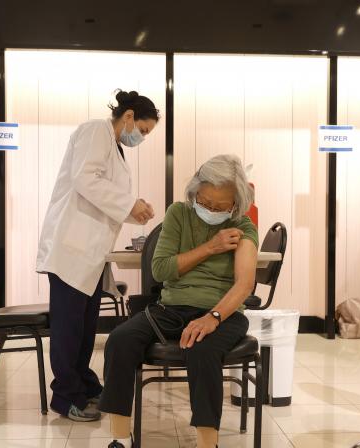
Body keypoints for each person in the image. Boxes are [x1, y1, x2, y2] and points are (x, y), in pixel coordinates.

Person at [99, 154, 259, 448]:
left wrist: (212, 318)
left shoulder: (244, 227)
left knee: (203, 350)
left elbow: (244, 284)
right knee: (120, 340)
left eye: (220, 206)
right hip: (170, 308)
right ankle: (120, 437)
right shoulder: (178, 214)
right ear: (195, 191)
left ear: (236, 203)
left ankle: (207, 443)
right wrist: (211, 247)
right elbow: (160, 269)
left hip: (222, 313)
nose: (210, 209)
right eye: (205, 201)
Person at [35, 90, 159, 422]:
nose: (141, 138)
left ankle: (85, 385)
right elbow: (84, 179)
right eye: (143, 130)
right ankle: (65, 397)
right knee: (69, 330)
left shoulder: (115, 146)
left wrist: (136, 211)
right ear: (129, 116)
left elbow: (106, 196)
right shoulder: (95, 131)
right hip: (71, 250)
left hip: (89, 253)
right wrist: (128, 204)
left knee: (85, 328)